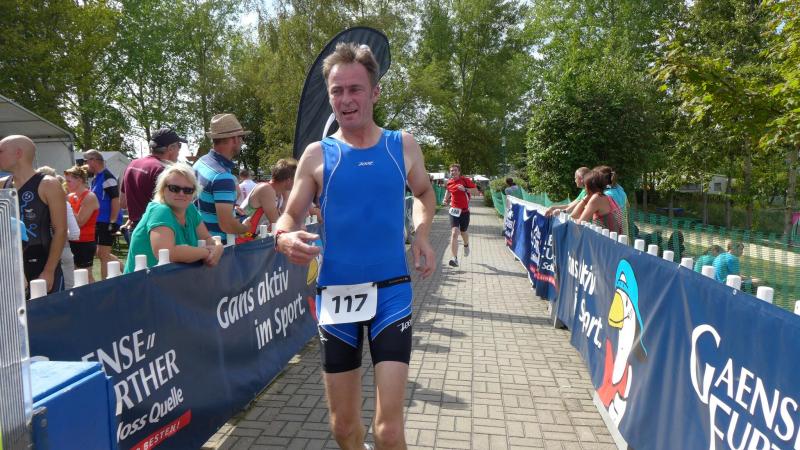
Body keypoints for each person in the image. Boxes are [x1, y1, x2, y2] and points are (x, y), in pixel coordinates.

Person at [273, 42, 435, 450]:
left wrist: (421, 233)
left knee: (389, 431)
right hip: (336, 295)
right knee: (343, 428)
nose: (346, 99)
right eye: (337, 91)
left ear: (375, 92)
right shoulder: (316, 155)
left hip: (392, 292)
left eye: (355, 89)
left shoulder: (402, 145)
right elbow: (289, 215)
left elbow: (424, 193)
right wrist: (283, 236)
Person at [124, 163, 223, 272]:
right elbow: (166, 252)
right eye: (174, 188)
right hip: (143, 281)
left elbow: (206, 238)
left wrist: (218, 247)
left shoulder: (190, 209)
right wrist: (206, 252)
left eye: (188, 190)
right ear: (162, 189)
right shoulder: (160, 211)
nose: (181, 194)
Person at [0, 135, 67, 294]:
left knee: (49, 310)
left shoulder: (48, 184)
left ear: (18, 153)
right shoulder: (3, 184)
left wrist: (49, 270)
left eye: (1, 151)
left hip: (42, 264)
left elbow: (61, 230)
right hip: (12, 267)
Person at [193, 113, 250, 243]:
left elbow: (202, 203)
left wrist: (231, 208)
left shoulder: (200, 162)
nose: (242, 142)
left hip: (198, 241)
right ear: (234, 139)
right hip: (218, 247)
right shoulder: (222, 176)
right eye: (242, 137)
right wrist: (246, 228)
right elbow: (227, 225)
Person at [122, 127, 183, 232]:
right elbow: (173, 208)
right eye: (179, 146)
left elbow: (123, 203)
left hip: (136, 230)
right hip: (156, 230)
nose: (179, 151)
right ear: (171, 148)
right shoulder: (163, 170)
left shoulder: (133, 164)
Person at [37, 166, 81, 288]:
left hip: (37, 253)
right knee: (68, 290)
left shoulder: (29, 203)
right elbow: (75, 234)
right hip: (62, 251)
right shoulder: (63, 203)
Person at [238, 158, 297, 243]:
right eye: (297, 179)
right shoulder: (266, 189)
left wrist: (286, 196)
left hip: (252, 239)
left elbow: (284, 216)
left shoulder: (280, 192)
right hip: (243, 239)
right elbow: (277, 222)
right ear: (288, 180)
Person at [83, 149, 121, 279]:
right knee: (100, 253)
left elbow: (116, 199)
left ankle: (105, 284)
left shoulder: (107, 177)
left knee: (103, 255)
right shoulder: (95, 178)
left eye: (86, 161)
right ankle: (127, 268)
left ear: (93, 160)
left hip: (107, 221)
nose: (85, 164)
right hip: (99, 221)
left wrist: (113, 221)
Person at [64, 165, 99, 283]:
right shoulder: (70, 196)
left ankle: (96, 295)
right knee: (74, 276)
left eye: (69, 181)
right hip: (72, 241)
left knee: (86, 276)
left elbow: (80, 222)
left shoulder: (89, 197)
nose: (66, 184)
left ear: (79, 180)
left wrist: (67, 205)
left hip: (85, 242)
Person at [442, 163, 479, 267]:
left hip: (464, 211)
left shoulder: (465, 181)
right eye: (451, 170)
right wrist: (445, 199)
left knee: (463, 232)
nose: (453, 172)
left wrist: (465, 189)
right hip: (453, 210)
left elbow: (476, 192)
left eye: (455, 170)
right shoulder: (449, 182)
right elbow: (448, 191)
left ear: (459, 172)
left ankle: (466, 245)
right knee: (454, 232)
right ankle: (454, 258)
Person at [572, 170, 623, 234]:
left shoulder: (596, 198)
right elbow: (576, 216)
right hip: (613, 238)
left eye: (585, 185)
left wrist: (586, 198)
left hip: (606, 239)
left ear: (589, 186)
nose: (584, 189)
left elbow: (576, 219)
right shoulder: (605, 197)